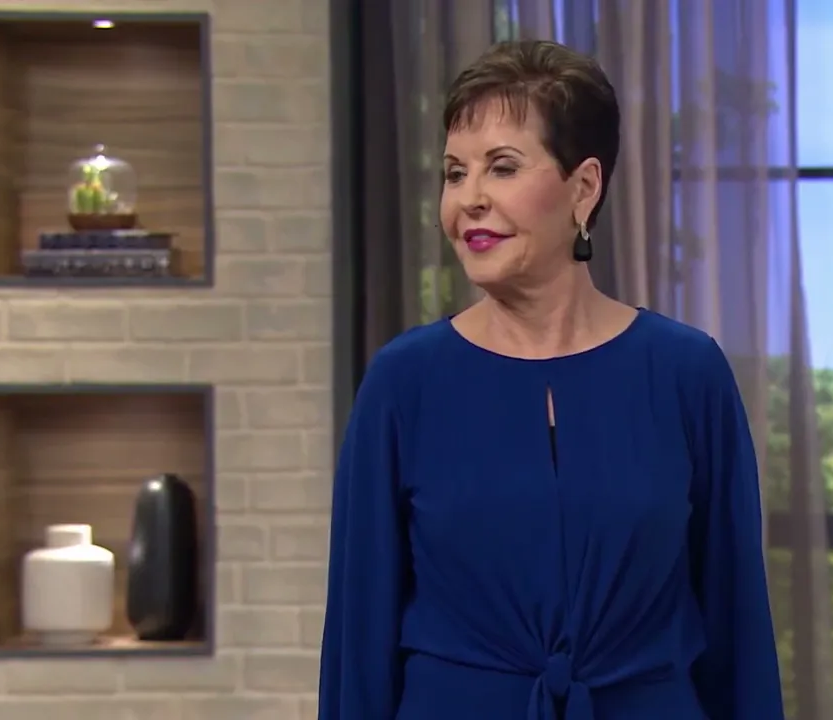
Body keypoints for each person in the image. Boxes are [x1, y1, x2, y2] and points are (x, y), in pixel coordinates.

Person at [318, 39, 785, 720]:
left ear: (584, 187)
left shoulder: (687, 373)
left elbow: (738, 633)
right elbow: (357, 646)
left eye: (502, 167)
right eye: (454, 173)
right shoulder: (403, 382)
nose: (469, 200)